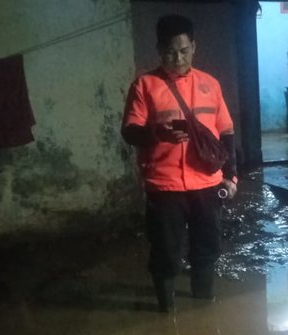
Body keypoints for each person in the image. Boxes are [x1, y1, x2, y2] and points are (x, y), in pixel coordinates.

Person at [121, 14, 237, 312]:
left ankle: (204, 307)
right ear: (159, 49)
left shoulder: (210, 84)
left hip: (207, 185)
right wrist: (156, 133)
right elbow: (130, 132)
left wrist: (231, 176)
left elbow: (226, 132)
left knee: (207, 249)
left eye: (184, 50)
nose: (178, 58)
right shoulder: (144, 86)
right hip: (164, 185)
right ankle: (166, 312)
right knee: (166, 253)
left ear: (194, 47)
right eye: (171, 51)